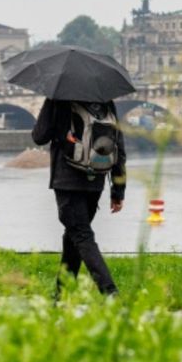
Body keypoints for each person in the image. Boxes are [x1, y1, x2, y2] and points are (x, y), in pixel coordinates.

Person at [32, 99, 126, 297]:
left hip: (67, 180)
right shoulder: (105, 100)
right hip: (96, 178)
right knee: (74, 236)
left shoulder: (58, 98)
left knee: (81, 235)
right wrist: (118, 190)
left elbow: (39, 137)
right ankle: (61, 295)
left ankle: (110, 292)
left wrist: (49, 110)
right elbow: (118, 145)